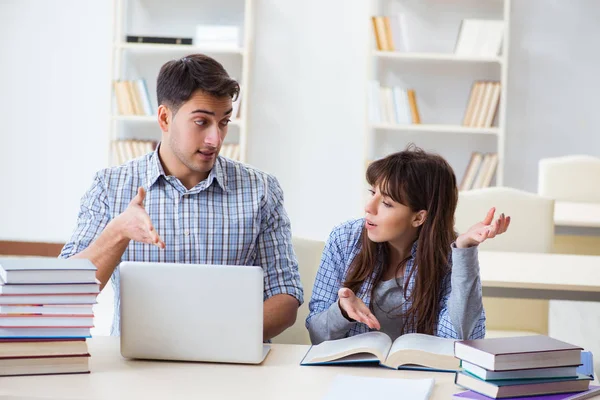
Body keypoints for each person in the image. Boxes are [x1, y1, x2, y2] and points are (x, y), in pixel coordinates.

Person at [59, 54, 303, 340]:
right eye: (201, 122)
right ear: (164, 117)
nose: (216, 139)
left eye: (224, 122)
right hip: (137, 367)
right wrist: (118, 232)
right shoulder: (109, 187)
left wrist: (212, 339)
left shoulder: (261, 190)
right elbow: (65, 293)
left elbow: (286, 296)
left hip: (230, 366)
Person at [306, 146, 510, 344]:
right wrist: (342, 312)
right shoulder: (345, 239)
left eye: (386, 203)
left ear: (419, 217)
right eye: (372, 193)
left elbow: (461, 339)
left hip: (423, 375)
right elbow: (317, 336)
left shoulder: (448, 255)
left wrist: (465, 251)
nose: (368, 207)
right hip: (352, 373)